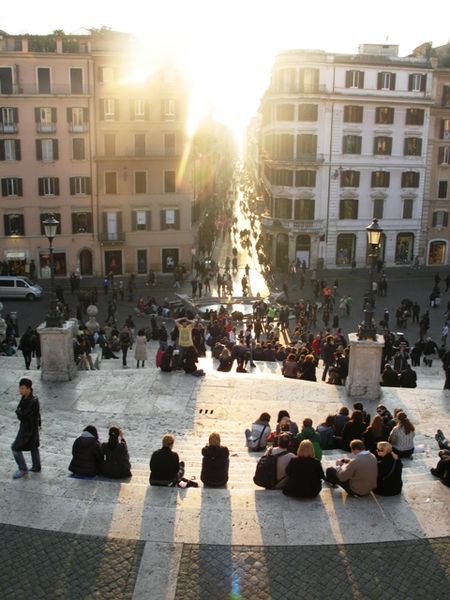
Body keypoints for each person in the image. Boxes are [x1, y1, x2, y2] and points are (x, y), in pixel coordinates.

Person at [11, 378, 41, 479]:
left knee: (15, 448)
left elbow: (23, 415)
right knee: (33, 446)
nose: (20, 390)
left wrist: (18, 411)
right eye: (20, 388)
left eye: (22, 388)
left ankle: (23, 468)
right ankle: (36, 466)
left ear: (28, 388)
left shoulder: (31, 401)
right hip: (32, 428)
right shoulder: (26, 397)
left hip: (27, 429)